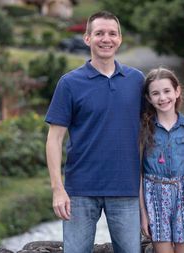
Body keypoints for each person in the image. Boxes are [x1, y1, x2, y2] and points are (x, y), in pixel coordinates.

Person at [45, 11, 145, 253]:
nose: (106, 39)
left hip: (126, 189)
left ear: (120, 39)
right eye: (99, 33)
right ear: (87, 38)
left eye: (112, 33)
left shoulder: (137, 81)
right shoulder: (69, 83)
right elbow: (54, 139)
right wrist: (58, 189)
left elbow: (153, 130)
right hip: (79, 191)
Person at [139, 68, 184, 253]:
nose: (162, 97)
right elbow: (139, 173)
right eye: (155, 93)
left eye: (167, 91)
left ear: (177, 92)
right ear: (149, 98)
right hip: (154, 194)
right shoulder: (144, 128)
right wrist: (143, 214)